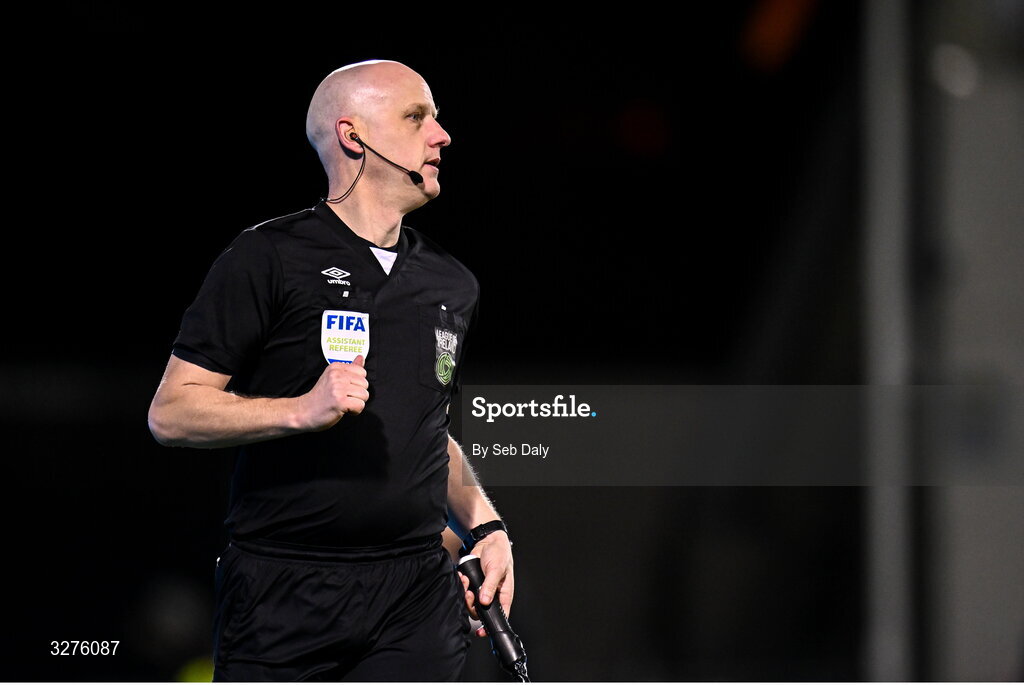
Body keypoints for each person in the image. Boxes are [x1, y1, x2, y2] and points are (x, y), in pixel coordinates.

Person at [147, 59, 513, 681]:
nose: (441, 135)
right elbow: (171, 413)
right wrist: (299, 409)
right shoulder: (266, 257)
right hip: (282, 591)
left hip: (415, 593)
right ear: (354, 136)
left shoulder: (453, 284)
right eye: (417, 116)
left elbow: (424, 432)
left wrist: (485, 524)